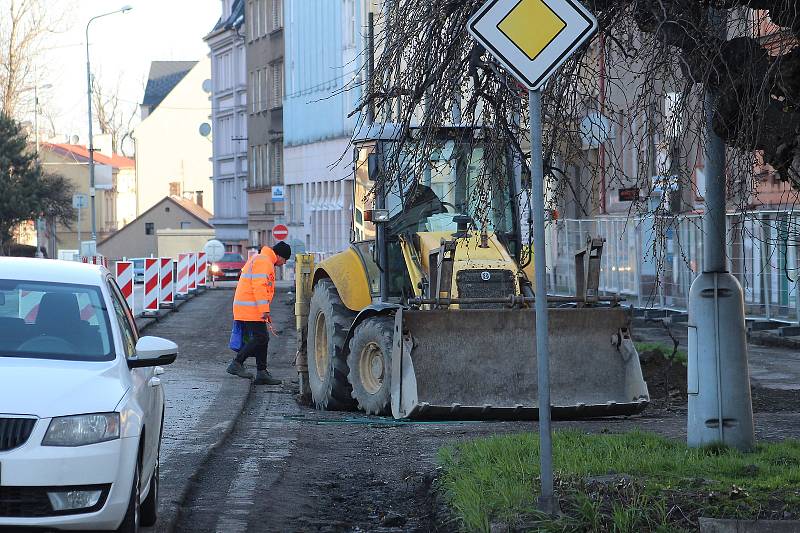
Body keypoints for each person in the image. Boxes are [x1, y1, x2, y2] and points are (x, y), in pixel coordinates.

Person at [226, 241, 291, 385]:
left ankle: (262, 372)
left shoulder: (261, 258)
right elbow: (259, 286)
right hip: (251, 308)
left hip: (249, 307)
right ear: (279, 256)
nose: (284, 263)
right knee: (260, 338)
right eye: (285, 260)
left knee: (263, 338)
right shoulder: (264, 261)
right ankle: (236, 363)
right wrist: (264, 310)